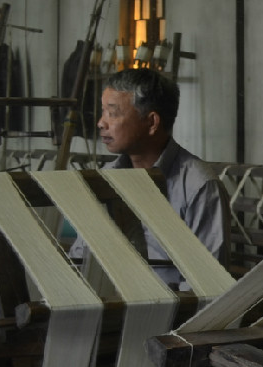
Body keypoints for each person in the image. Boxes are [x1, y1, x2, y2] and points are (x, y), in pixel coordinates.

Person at [80, 67, 227, 287]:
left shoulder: (199, 187)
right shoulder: (105, 180)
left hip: (171, 315)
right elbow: (81, 258)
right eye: (103, 112)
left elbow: (206, 285)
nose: (101, 123)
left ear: (152, 122)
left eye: (112, 112)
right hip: (105, 306)